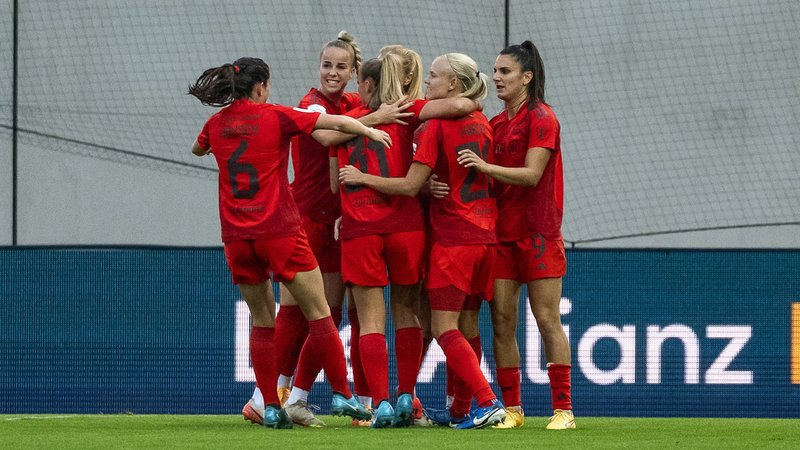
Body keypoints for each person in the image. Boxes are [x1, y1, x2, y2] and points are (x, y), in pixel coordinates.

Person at [188, 56, 385, 429]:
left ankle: (271, 406)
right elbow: (333, 124)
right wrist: (370, 130)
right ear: (261, 87)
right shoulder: (276, 115)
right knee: (321, 312)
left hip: (236, 237)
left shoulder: (215, 124)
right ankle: (343, 394)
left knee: (264, 322)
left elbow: (198, 149)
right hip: (279, 230)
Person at [251, 31, 410, 428]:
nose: (332, 73)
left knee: (331, 313)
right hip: (301, 217)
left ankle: (306, 398)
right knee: (293, 311)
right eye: (326, 65)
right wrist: (374, 120)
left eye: (341, 67)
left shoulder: (356, 102)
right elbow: (324, 135)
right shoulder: (311, 103)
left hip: (341, 220)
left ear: (355, 72)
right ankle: (266, 396)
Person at [339, 52, 506, 429]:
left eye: (434, 76)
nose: (427, 82)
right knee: (461, 324)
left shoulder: (423, 123)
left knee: (425, 325)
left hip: (447, 237)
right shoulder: (480, 121)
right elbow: (468, 110)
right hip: (480, 234)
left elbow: (339, 160)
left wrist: (361, 178)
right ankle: (451, 406)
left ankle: (481, 400)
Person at [456, 40, 575, 430]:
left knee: (546, 319)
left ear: (527, 77)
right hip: (502, 237)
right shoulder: (495, 123)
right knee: (503, 322)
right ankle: (513, 409)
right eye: (495, 71)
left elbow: (532, 175)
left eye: (505, 71)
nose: (496, 77)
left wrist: (484, 167)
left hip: (539, 235)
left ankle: (563, 410)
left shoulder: (543, 117)